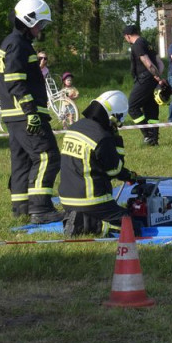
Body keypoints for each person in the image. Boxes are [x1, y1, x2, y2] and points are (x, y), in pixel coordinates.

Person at [0, 0, 62, 223]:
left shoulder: (12, 42)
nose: (41, 28)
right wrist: (31, 110)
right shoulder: (18, 44)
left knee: (22, 160)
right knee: (47, 156)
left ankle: (21, 206)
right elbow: (15, 80)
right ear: (28, 19)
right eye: (40, 23)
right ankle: (40, 209)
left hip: (14, 115)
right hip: (25, 114)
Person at [59, 91, 142, 236]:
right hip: (90, 200)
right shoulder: (102, 137)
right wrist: (116, 139)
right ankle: (88, 224)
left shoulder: (75, 127)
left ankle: (80, 217)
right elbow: (114, 170)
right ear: (113, 117)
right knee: (132, 224)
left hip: (66, 200)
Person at [123, 24, 166, 146]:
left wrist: (157, 77)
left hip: (145, 79)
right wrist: (159, 77)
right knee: (151, 109)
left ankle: (148, 135)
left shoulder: (137, 45)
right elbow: (160, 63)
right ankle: (154, 140)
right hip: (152, 79)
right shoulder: (147, 43)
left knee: (132, 106)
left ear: (128, 36)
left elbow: (148, 63)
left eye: (125, 37)